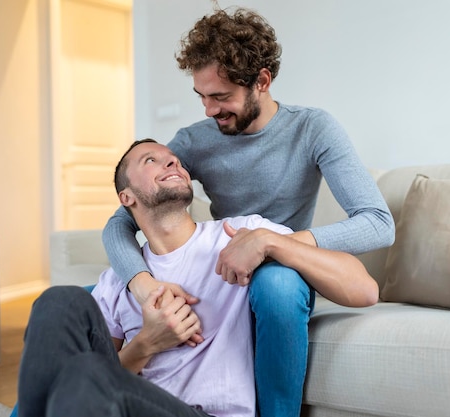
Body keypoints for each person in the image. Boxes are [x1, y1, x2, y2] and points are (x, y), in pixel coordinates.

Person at [103, 7, 395, 417]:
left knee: (275, 284)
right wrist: (140, 283)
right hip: (221, 269)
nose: (208, 110)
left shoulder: (313, 129)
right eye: (201, 96)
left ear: (262, 81)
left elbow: (378, 224)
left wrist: (271, 243)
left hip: (283, 268)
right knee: (79, 302)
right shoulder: (194, 142)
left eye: (220, 97)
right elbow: (122, 219)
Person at [17, 139, 378, 417]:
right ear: (126, 197)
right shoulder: (121, 280)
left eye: (172, 158)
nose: (171, 160)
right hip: (130, 405)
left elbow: (364, 289)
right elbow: (87, 377)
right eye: (150, 160)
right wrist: (147, 343)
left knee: (86, 374)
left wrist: (271, 242)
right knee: (58, 299)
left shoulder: (241, 235)